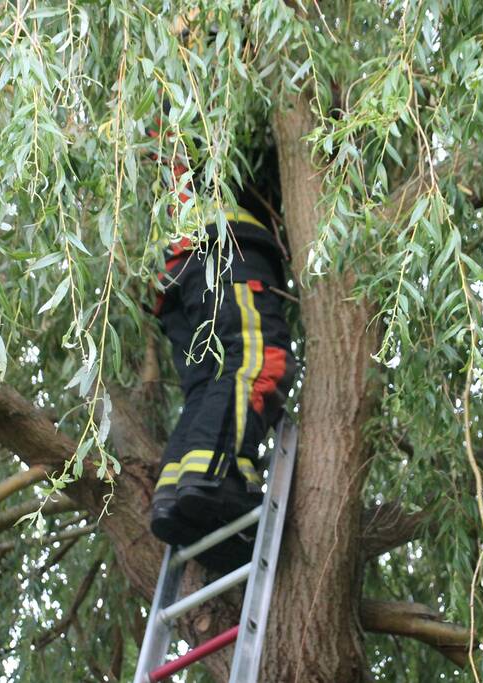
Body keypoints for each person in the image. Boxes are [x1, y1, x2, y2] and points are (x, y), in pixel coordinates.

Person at [145, 99, 295, 571]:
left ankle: (178, 495)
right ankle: (218, 480)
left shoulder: (170, 104)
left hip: (181, 270)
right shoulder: (211, 99)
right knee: (257, 361)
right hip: (225, 249)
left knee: (209, 386)